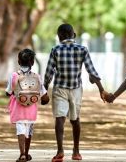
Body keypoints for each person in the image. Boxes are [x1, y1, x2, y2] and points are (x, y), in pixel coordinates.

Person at [44, 23, 107, 162]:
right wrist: (101, 89)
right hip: (76, 89)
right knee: (75, 120)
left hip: (60, 88)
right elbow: (92, 71)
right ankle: (76, 151)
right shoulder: (82, 49)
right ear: (74, 35)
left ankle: (60, 151)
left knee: (59, 119)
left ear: (59, 37)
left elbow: (49, 72)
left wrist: (44, 89)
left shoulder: (56, 49)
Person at [6, 48, 50, 162]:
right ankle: (27, 152)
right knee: (29, 131)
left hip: (18, 109)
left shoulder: (14, 76)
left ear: (19, 62)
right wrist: (45, 100)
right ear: (33, 62)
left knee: (20, 129)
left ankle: (22, 154)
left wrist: (11, 93)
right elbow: (44, 95)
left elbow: (8, 91)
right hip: (31, 110)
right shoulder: (37, 77)